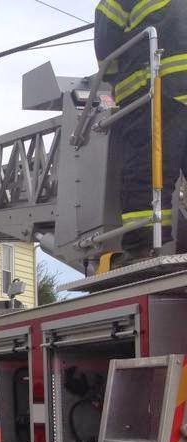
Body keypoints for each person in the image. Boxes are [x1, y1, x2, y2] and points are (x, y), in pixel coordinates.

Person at [94, 0, 187, 264]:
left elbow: (105, 49)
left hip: (155, 90)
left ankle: (142, 247)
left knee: (146, 172)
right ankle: (145, 244)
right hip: (165, 90)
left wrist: (119, 81)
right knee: (152, 170)